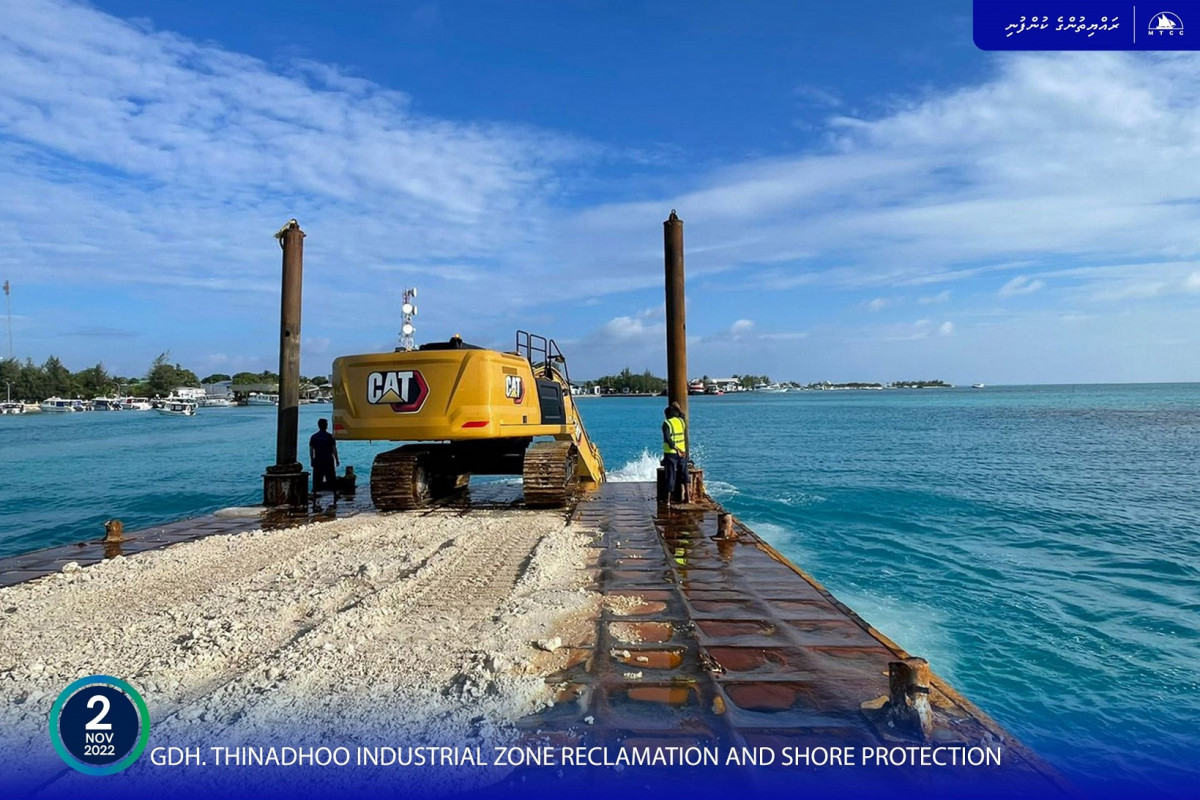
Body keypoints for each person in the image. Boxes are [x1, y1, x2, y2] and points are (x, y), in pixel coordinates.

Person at [661, 401, 688, 505]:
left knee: (670, 475)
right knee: (684, 473)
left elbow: (668, 439)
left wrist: (676, 450)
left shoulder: (666, 423)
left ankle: (668, 501)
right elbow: (683, 415)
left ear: (667, 415)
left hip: (671, 453)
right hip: (683, 452)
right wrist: (679, 408)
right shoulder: (681, 421)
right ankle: (687, 498)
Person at [309, 418, 340, 499]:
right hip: (328, 459)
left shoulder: (314, 437)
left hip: (318, 459)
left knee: (317, 478)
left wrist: (312, 460)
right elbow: (334, 449)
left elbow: (311, 450)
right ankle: (334, 493)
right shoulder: (330, 437)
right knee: (331, 477)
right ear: (326, 426)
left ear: (318, 426)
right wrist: (337, 460)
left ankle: (314, 494)